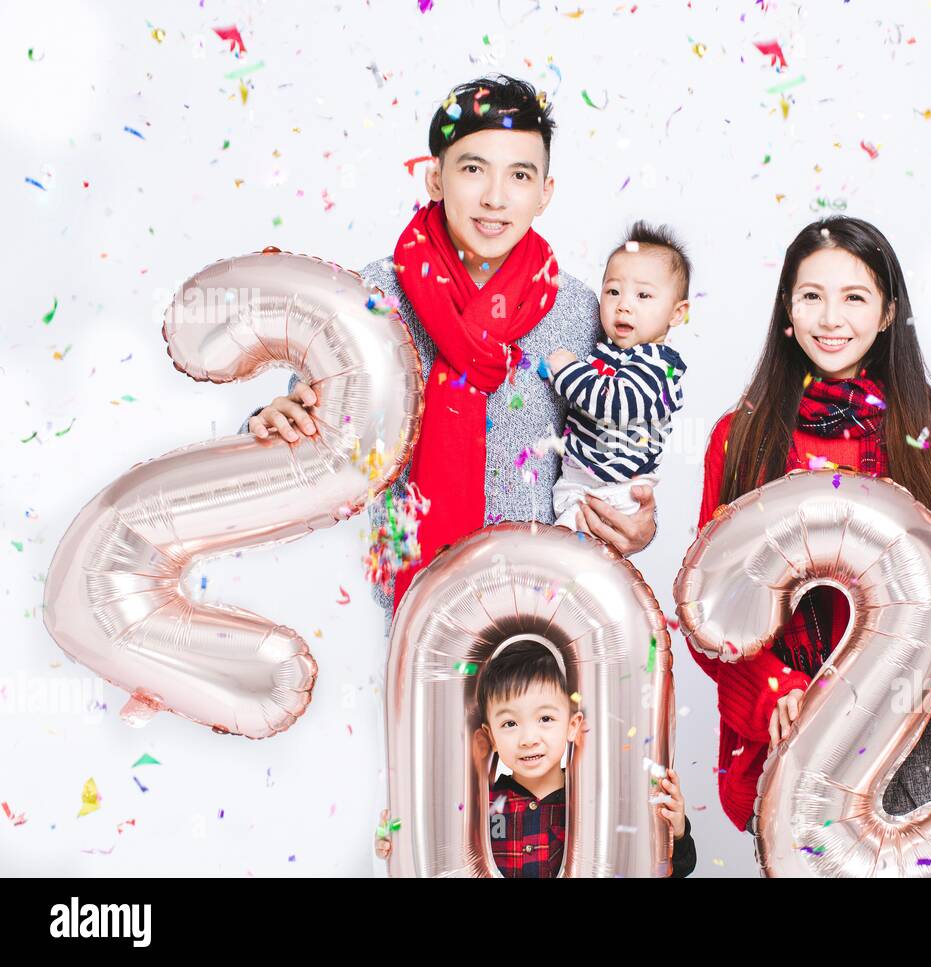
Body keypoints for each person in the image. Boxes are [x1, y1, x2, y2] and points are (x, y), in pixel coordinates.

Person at [240, 74, 657, 634]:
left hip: (539, 623)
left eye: (519, 175)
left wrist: (636, 523)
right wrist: (272, 423)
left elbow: (612, 444)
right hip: (393, 617)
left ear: (545, 193)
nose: (495, 197)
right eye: (472, 168)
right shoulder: (374, 298)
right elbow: (314, 427)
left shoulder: (581, 313)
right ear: (435, 177)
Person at [693, 216, 931, 833]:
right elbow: (712, 606)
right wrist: (774, 690)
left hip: (915, 725)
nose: (830, 319)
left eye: (854, 297)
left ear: (888, 313)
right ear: (788, 309)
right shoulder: (741, 438)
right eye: (812, 296)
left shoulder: (930, 432)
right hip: (794, 720)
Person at [377, 640, 697, 877]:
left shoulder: (594, 802)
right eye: (510, 724)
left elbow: (668, 868)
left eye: (545, 719)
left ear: (573, 726)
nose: (529, 738)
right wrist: (395, 845)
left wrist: (677, 831)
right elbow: (435, 853)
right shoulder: (479, 804)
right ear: (489, 738)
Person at [547, 221, 689, 530]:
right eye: (613, 291)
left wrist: (567, 370)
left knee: (563, 552)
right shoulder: (612, 349)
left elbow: (614, 404)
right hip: (583, 478)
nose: (623, 305)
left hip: (613, 489)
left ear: (677, 313)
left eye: (643, 296)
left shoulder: (658, 368)